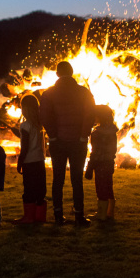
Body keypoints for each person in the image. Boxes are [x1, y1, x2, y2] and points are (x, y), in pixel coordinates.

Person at [40, 60, 96, 227]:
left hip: (58, 143)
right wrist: (83, 135)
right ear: (72, 73)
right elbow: (90, 114)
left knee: (58, 179)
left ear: (57, 74)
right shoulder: (84, 92)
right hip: (78, 143)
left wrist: (53, 136)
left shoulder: (49, 93)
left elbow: (44, 116)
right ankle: (79, 216)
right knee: (76, 179)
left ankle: (58, 216)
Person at [12, 94, 47, 224]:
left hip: (29, 162)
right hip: (39, 161)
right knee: (39, 189)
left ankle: (29, 217)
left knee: (29, 190)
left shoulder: (25, 126)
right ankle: (40, 217)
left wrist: (20, 162)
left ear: (24, 109)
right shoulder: (40, 125)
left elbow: (25, 146)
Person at [85, 105, 118, 221]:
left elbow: (95, 152)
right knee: (109, 187)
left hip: (100, 164)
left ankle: (102, 214)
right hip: (109, 162)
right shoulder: (112, 131)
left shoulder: (97, 133)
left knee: (100, 188)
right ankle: (110, 212)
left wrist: (90, 168)